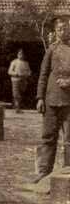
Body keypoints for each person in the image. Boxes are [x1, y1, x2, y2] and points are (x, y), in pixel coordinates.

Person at [34, 18, 70, 183]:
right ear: (56, 31)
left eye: (66, 28)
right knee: (48, 137)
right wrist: (40, 97)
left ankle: (67, 173)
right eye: (60, 29)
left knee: (69, 139)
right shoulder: (51, 50)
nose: (63, 31)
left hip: (69, 102)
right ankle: (43, 172)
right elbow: (43, 74)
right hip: (51, 100)